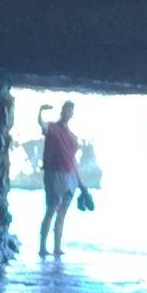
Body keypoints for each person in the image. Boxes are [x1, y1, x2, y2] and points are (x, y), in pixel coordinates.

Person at [38, 100, 85, 258]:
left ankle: (57, 247)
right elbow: (42, 125)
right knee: (50, 210)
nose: (67, 112)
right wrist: (40, 111)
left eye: (70, 110)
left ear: (72, 114)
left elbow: (73, 160)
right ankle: (43, 247)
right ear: (62, 111)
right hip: (54, 174)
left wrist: (81, 185)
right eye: (66, 109)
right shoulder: (52, 128)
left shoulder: (72, 137)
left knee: (62, 214)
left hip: (69, 176)